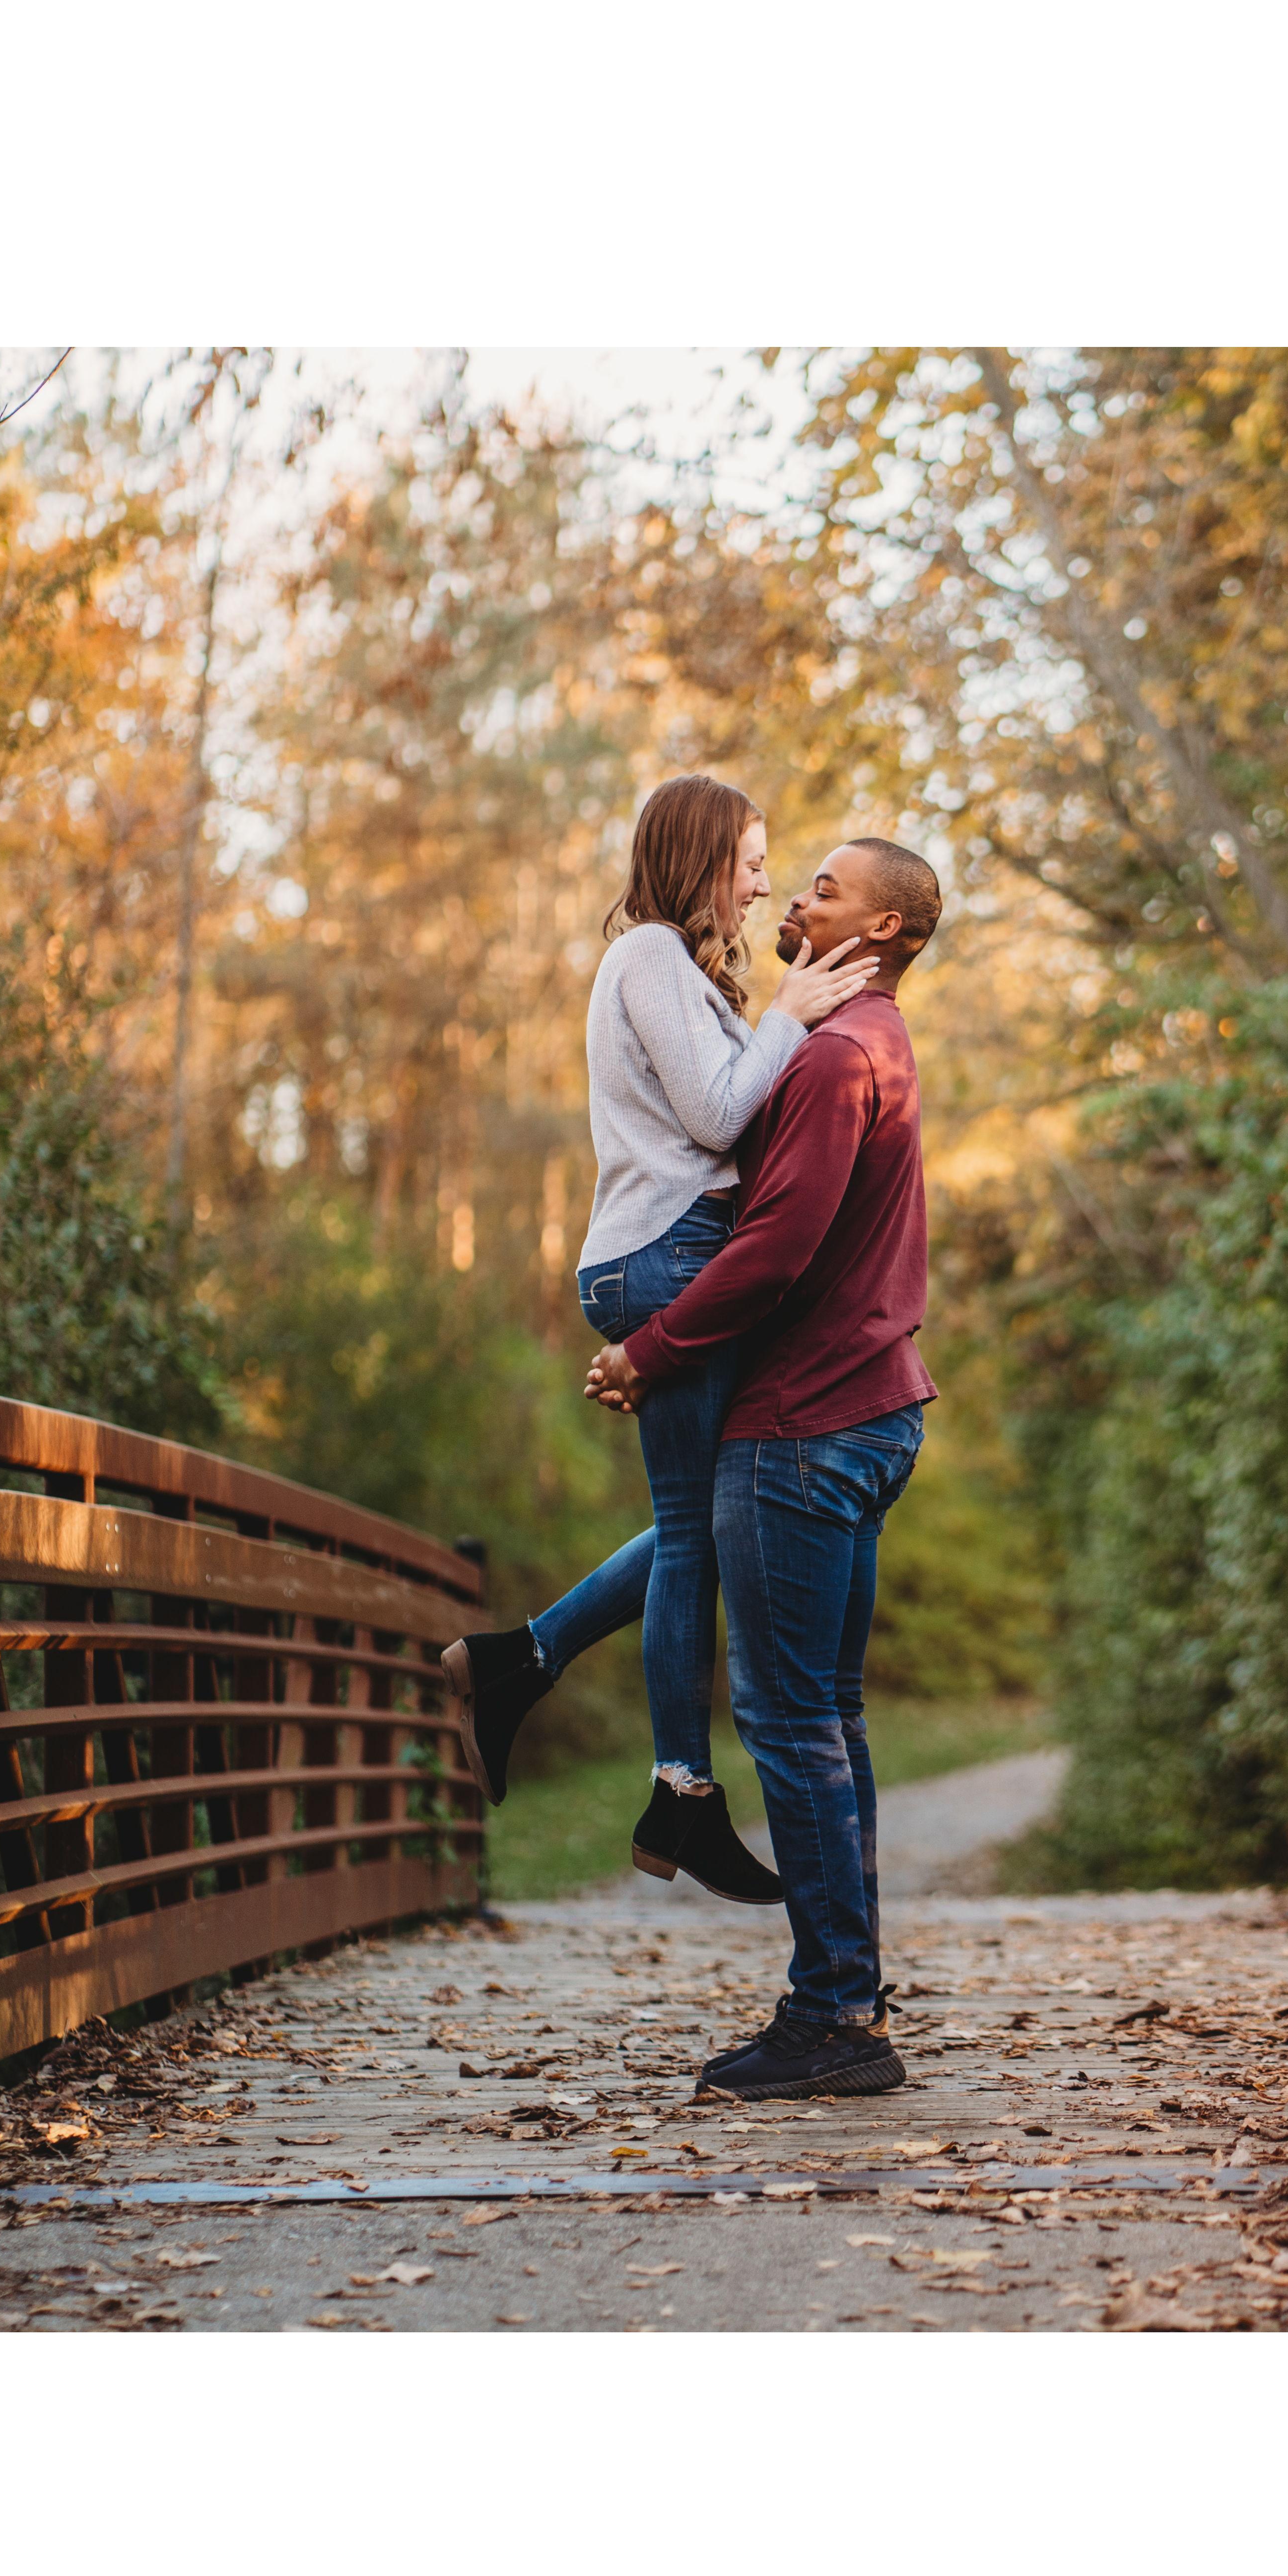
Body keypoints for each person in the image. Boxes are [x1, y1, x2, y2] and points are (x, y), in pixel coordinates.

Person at [442, 773, 880, 1900]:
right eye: (751, 857)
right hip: (668, 1253)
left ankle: (522, 1661)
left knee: (710, 1522)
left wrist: (780, 1011)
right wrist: (791, 1014)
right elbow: (719, 1114)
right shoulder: (646, 956)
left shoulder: (678, 973)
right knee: (702, 1534)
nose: (765, 879)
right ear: (699, 858)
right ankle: (677, 1785)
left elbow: (730, 1097)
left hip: (668, 1251)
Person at [586, 837, 943, 2101]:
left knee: (791, 1723)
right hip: (871, 1412)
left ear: (886, 930)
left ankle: (837, 2020)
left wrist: (650, 1347)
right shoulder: (870, 1047)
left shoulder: (839, 1057)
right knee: (828, 1720)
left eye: (829, 891)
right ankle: (847, 2003)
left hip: (803, 1428)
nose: (797, 898)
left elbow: (779, 1251)